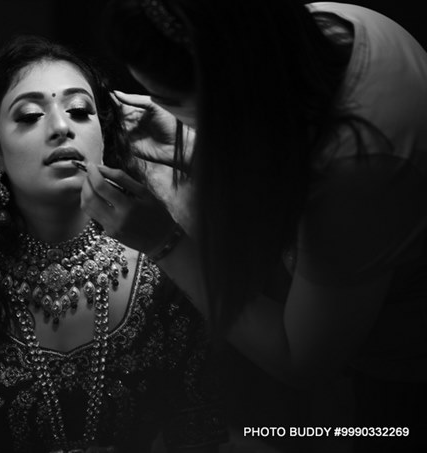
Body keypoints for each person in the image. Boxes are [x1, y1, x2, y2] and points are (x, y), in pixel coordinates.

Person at [83, 1, 427, 451]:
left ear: (230, 95)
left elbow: (301, 359)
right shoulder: (315, 29)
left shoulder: (359, 168)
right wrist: (197, 145)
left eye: (167, 98)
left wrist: (163, 241)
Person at [0, 35, 227, 453]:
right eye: (30, 116)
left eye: (80, 111)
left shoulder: (166, 271)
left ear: (104, 136)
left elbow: (201, 433)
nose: (62, 127)